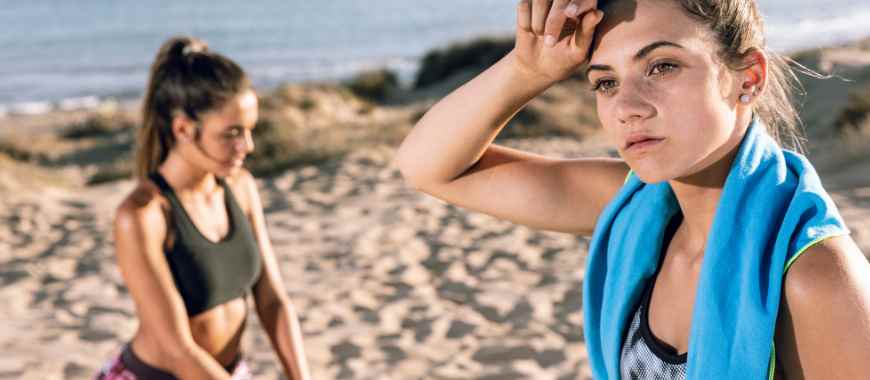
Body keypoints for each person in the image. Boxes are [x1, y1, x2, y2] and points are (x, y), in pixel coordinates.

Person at [395, 0, 870, 378]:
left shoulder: (815, 278)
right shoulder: (634, 209)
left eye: (662, 66)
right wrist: (528, 70)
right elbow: (428, 167)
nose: (627, 106)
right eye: (605, 82)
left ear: (748, 78)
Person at [95, 36, 311, 380]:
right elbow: (176, 348)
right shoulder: (143, 214)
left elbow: (272, 302)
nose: (248, 146)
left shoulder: (241, 188)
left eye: (251, 130)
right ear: (183, 129)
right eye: (232, 133)